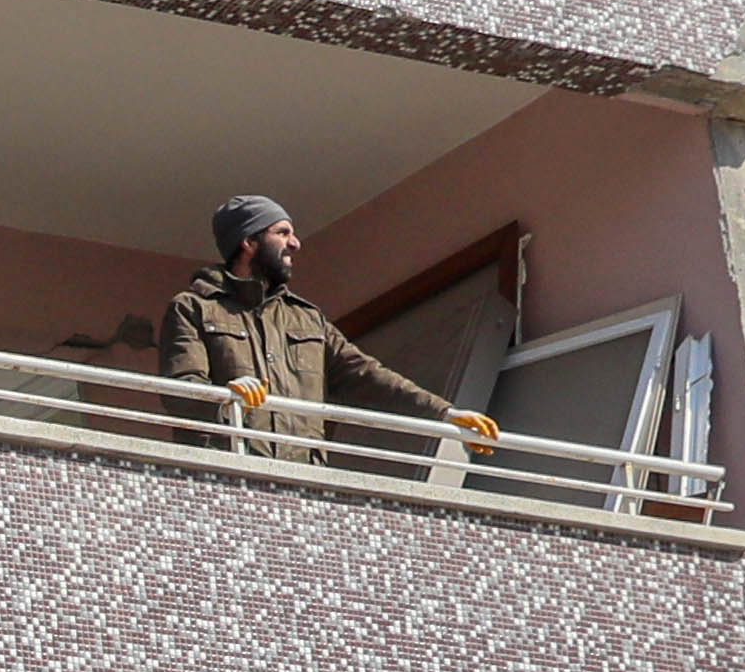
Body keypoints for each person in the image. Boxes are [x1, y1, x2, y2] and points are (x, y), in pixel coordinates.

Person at [162, 195, 505, 469]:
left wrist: (446, 414)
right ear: (249, 241)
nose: (295, 243)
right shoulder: (194, 308)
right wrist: (226, 396)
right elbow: (180, 391)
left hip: (305, 483)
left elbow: (368, 376)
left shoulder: (307, 320)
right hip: (225, 477)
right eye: (282, 232)